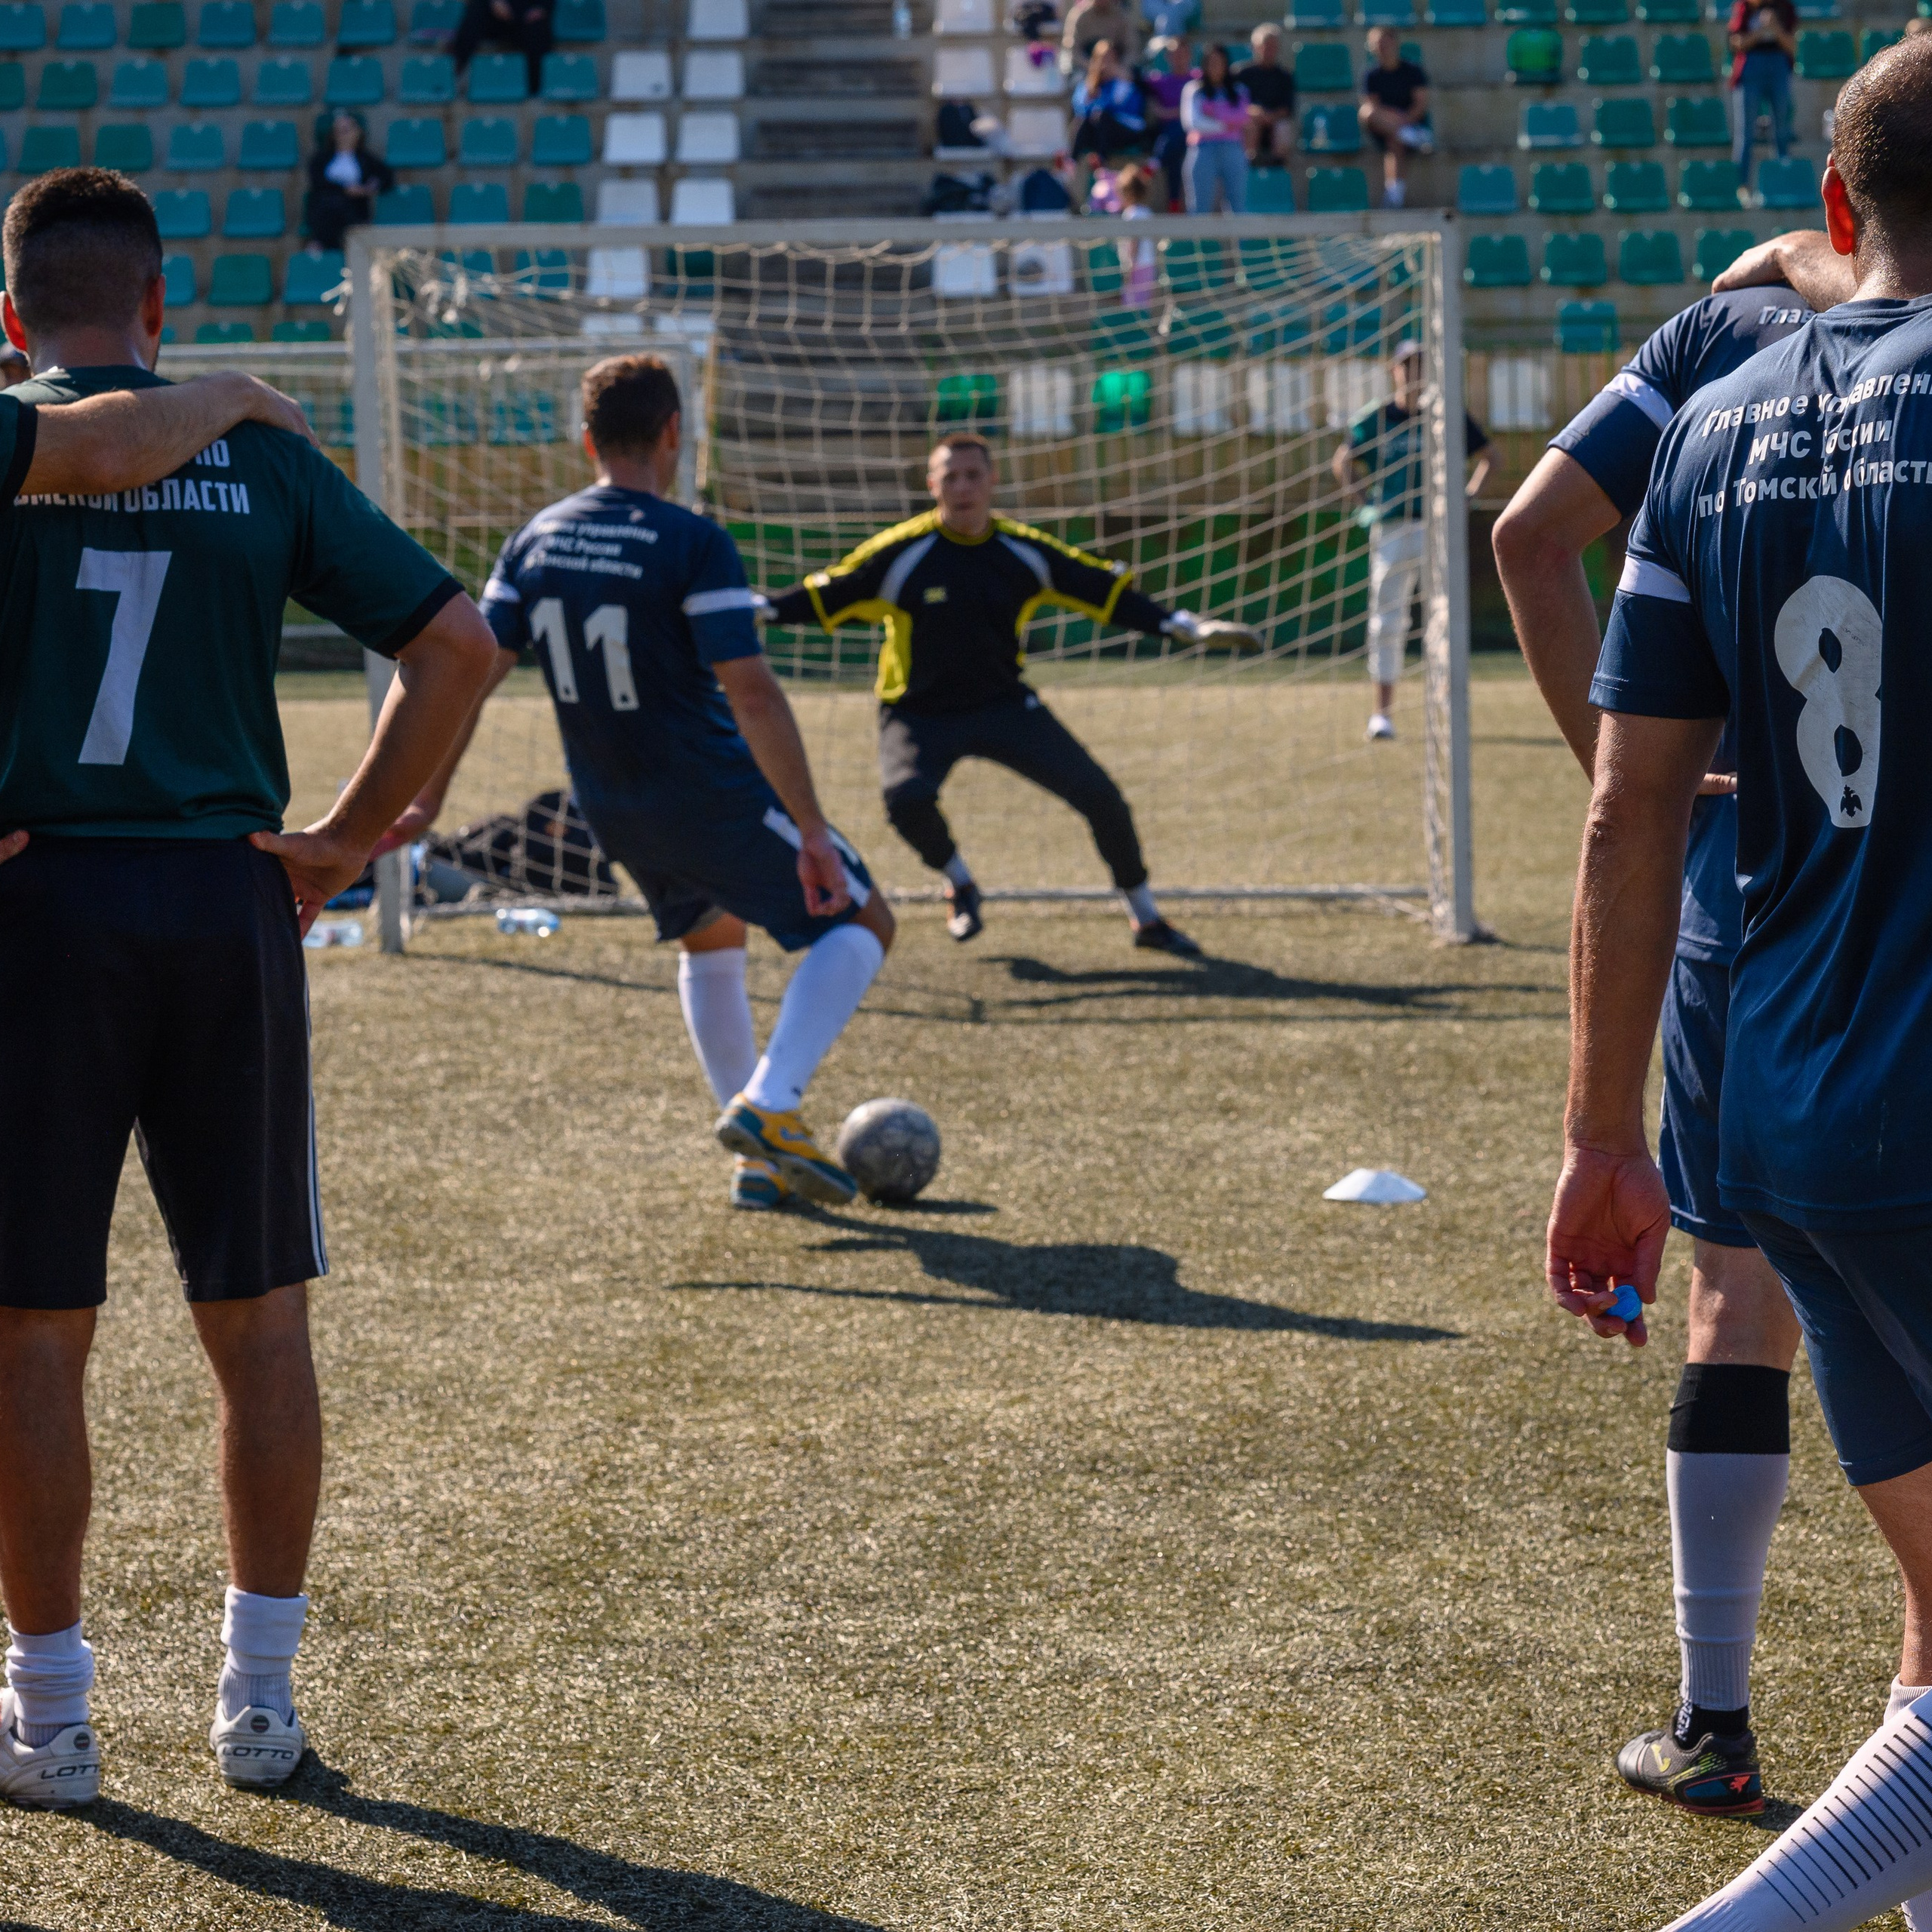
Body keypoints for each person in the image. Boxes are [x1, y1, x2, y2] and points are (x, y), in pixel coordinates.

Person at [0, 168, 499, 1811]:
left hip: (35, 910)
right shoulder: (256, 447)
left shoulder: (13, 443)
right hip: (225, 900)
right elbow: (457, 645)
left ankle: (51, 1719)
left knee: (29, 1332)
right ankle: (259, 1709)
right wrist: (348, 840)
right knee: (259, 1316)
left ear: (11, 316)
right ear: (160, 303)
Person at [1549, 40, 1932, 1929]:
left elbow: (1627, 809)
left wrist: (1597, 1133)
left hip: (1780, 1103)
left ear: (1839, 207)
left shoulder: (1711, 424)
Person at [1493, 279, 1820, 1815]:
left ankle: (1713, 1717)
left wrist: (1630, 773)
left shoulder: (1716, 344)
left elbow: (1524, 533)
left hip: (1741, 869)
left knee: (1734, 1288)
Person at [381, 355, 895, 1215]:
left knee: (711, 940)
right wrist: (808, 825)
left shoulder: (533, 539)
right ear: (672, 435)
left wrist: (427, 798)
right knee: (861, 920)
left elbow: (470, 675)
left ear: (584, 439)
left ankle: (756, 1163)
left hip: (612, 810)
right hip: (710, 794)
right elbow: (753, 692)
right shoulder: (692, 540)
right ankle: (768, 1108)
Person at [760, 432, 1258, 955]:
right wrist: (765, 609)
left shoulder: (1022, 551)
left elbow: (1100, 592)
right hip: (917, 711)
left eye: (973, 474)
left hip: (1003, 705)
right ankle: (961, 882)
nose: (962, 486)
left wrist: (1182, 625)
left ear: (993, 480)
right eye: (950, 476)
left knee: (1102, 798)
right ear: (932, 486)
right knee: (905, 799)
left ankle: (1147, 919)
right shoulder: (901, 554)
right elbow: (830, 593)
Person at [1331, 342, 1491, 742]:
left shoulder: (1445, 414)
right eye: (1406, 365)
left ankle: (1447, 705)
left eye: (1419, 363)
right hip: (1391, 528)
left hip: (1437, 529)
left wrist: (1465, 499)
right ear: (1393, 370)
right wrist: (1365, 502)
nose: (1412, 371)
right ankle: (1382, 713)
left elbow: (1491, 457)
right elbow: (1342, 462)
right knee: (1386, 618)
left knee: (1445, 616)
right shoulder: (1377, 417)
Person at [1725, 0, 1795, 195]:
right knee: (1745, 134)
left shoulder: (1785, 8)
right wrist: (1760, 30)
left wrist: (1775, 27)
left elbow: (1792, 46)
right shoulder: (1743, 8)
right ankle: (1742, 187)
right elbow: (1736, 43)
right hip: (1750, 70)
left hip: (1778, 68)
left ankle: (1782, 184)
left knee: (1781, 131)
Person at [301, 110, 393, 257]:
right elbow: (317, 182)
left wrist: (370, 187)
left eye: (347, 130)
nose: (344, 135)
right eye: (340, 131)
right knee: (332, 205)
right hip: (325, 208)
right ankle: (327, 244)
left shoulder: (366, 159)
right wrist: (345, 189)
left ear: (357, 132)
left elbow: (386, 177)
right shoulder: (321, 158)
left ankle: (324, 244)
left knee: (344, 209)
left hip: (354, 209)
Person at [1358, 27, 1431, 208]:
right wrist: (1396, 120)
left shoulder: (1413, 71)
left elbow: (1420, 106)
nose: (1382, 48)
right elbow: (1372, 109)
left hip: (1409, 125)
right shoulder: (1371, 76)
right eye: (1377, 44)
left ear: (1395, 43)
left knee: (1394, 141)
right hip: (1386, 127)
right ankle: (1408, 136)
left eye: (1385, 43)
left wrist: (1403, 119)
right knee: (1366, 112)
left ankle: (1394, 196)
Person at [1180, 42, 1248, 214]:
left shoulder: (1239, 90)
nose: (1215, 67)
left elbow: (1242, 118)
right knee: (1198, 208)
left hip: (1233, 150)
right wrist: (1227, 124)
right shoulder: (1193, 90)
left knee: (1237, 207)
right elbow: (1193, 124)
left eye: (1219, 63)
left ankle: (1239, 242)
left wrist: (1213, 113)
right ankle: (1199, 243)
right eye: (1211, 63)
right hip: (1202, 150)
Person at [1070, 41, 1148, 167]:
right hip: (1101, 131)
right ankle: (1071, 164)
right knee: (1081, 121)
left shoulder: (1124, 82)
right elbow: (1080, 109)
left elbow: (1113, 106)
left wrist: (1097, 99)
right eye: (1102, 59)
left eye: (1110, 59)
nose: (1106, 64)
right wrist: (1092, 94)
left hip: (1128, 130)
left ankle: (1102, 163)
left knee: (1102, 116)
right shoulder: (1088, 85)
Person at [451, 0, 552, 95]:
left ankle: (535, 90)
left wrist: (540, 9)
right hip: (496, 14)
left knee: (538, 31)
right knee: (477, 9)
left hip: (528, 17)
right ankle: (454, 71)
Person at [1233, 23, 1296, 169]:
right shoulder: (1241, 74)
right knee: (1250, 126)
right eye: (1265, 45)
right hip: (1249, 122)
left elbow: (1287, 108)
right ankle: (1247, 168)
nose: (1269, 50)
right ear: (1255, 47)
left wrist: (1269, 117)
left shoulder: (1285, 76)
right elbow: (1232, 103)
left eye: (1273, 46)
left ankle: (1277, 171)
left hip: (1275, 123)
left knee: (1284, 129)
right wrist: (1252, 112)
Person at [1140, 35, 1192, 209]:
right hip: (1169, 134)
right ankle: (1174, 202)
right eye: (1174, 55)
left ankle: (1155, 163)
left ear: (1189, 55)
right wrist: (1156, 108)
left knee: (1176, 133)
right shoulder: (1159, 81)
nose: (1178, 58)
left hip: (1191, 131)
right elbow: (1138, 83)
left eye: (1182, 54)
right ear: (1168, 57)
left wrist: (1172, 113)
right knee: (1174, 154)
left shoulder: (1198, 80)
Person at [1061, 0, 1136, 68]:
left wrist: (1117, 68)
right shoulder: (1079, 16)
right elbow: (1072, 51)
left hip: (1116, 70)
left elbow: (1132, 50)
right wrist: (1093, 68)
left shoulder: (1122, 17)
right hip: (1085, 69)